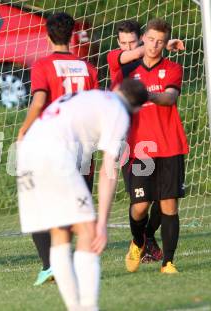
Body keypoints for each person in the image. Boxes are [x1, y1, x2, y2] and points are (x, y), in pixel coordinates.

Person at [17, 79, 149, 310]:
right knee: (88, 231)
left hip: (26, 154)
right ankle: (88, 307)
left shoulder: (93, 96)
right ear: (136, 108)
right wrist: (102, 224)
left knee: (60, 232)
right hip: (53, 155)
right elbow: (109, 169)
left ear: (117, 88)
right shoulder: (118, 110)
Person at [17, 12, 99, 286]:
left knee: (39, 204)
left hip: (53, 144)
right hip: (83, 145)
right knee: (76, 209)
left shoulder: (43, 65)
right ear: (72, 34)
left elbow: (39, 100)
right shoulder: (88, 68)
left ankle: (49, 266)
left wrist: (24, 129)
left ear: (48, 34)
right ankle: (77, 263)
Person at [107, 20, 183, 263]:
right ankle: (140, 240)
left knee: (166, 202)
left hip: (167, 144)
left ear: (139, 39)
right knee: (140, 204)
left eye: (133, 42)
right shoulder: (119, 65)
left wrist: (156, 46)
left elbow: (170, 97)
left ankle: (157, 249)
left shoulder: (170, 67)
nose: (128, 48)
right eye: (124, 44)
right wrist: (161, 44)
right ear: (119, 44)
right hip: (136, 144)